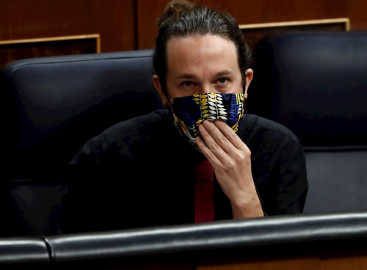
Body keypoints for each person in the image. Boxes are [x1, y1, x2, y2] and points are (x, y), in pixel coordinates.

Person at [60, 0, 307, 233]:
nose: (208, 99)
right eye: (188, 83)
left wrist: (244, 197)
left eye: (222, 81)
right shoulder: (106, 157)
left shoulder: (279, 149)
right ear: (163, 91)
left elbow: (279, 262)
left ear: (245, 83)